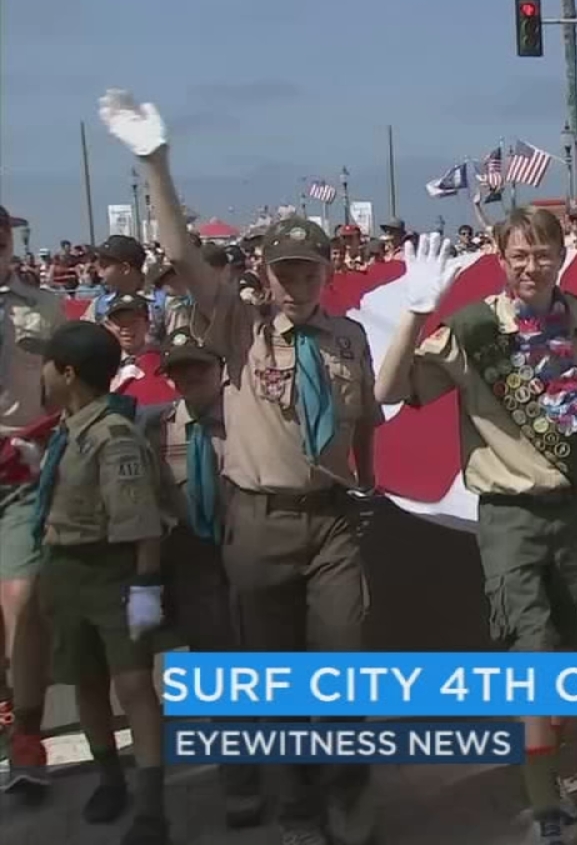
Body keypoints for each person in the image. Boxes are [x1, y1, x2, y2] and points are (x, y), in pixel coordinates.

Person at [103, 88, 382, 845]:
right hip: (257, 524)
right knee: (280, 683)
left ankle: (349, 804)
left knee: (345, 673)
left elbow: (365, 421)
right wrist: (156, 166)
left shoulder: (348, 340)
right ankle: (296, 811)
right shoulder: (239, 325)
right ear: (265, 273)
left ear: (327, 270)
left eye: (308, 269)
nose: (296, 282)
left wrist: (370, 479)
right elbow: (186, 257)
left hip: (330, 524)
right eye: (284, 270)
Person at [373, 212, 577, 845]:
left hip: (573, 511)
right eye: (519, 255)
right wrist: (416, 312)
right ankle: (543, 800)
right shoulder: (472, 330)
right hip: (509, 516)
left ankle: (548, 771)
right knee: (533, 657)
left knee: (570, 652)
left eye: (544, 253)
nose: (532, 266)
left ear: (562, 254)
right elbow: (391, 389)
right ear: (500, 257)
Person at [30, 321, 169, 844]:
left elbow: (139, 520)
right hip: (66, 570)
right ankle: (110, 778)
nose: (41, 373)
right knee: (85, 681)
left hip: (111, 572)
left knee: (133, 686)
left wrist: (146, 587)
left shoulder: (113, 437)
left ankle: (152, 807)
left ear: (67, 372)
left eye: (46, 363)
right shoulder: (69, 428)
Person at [140, 327, 264, 827]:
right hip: (193, 561)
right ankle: (241, 782)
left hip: (252, 551)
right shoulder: (156, 428)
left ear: (221, 369)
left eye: (200, 367)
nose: (191, 377)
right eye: (180, 370)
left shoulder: (249, 421)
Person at [0, 203, 66, 798]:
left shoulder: (43, 306)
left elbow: (61, 386)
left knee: (23, 600)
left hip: (20, 468)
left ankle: (27, 737)